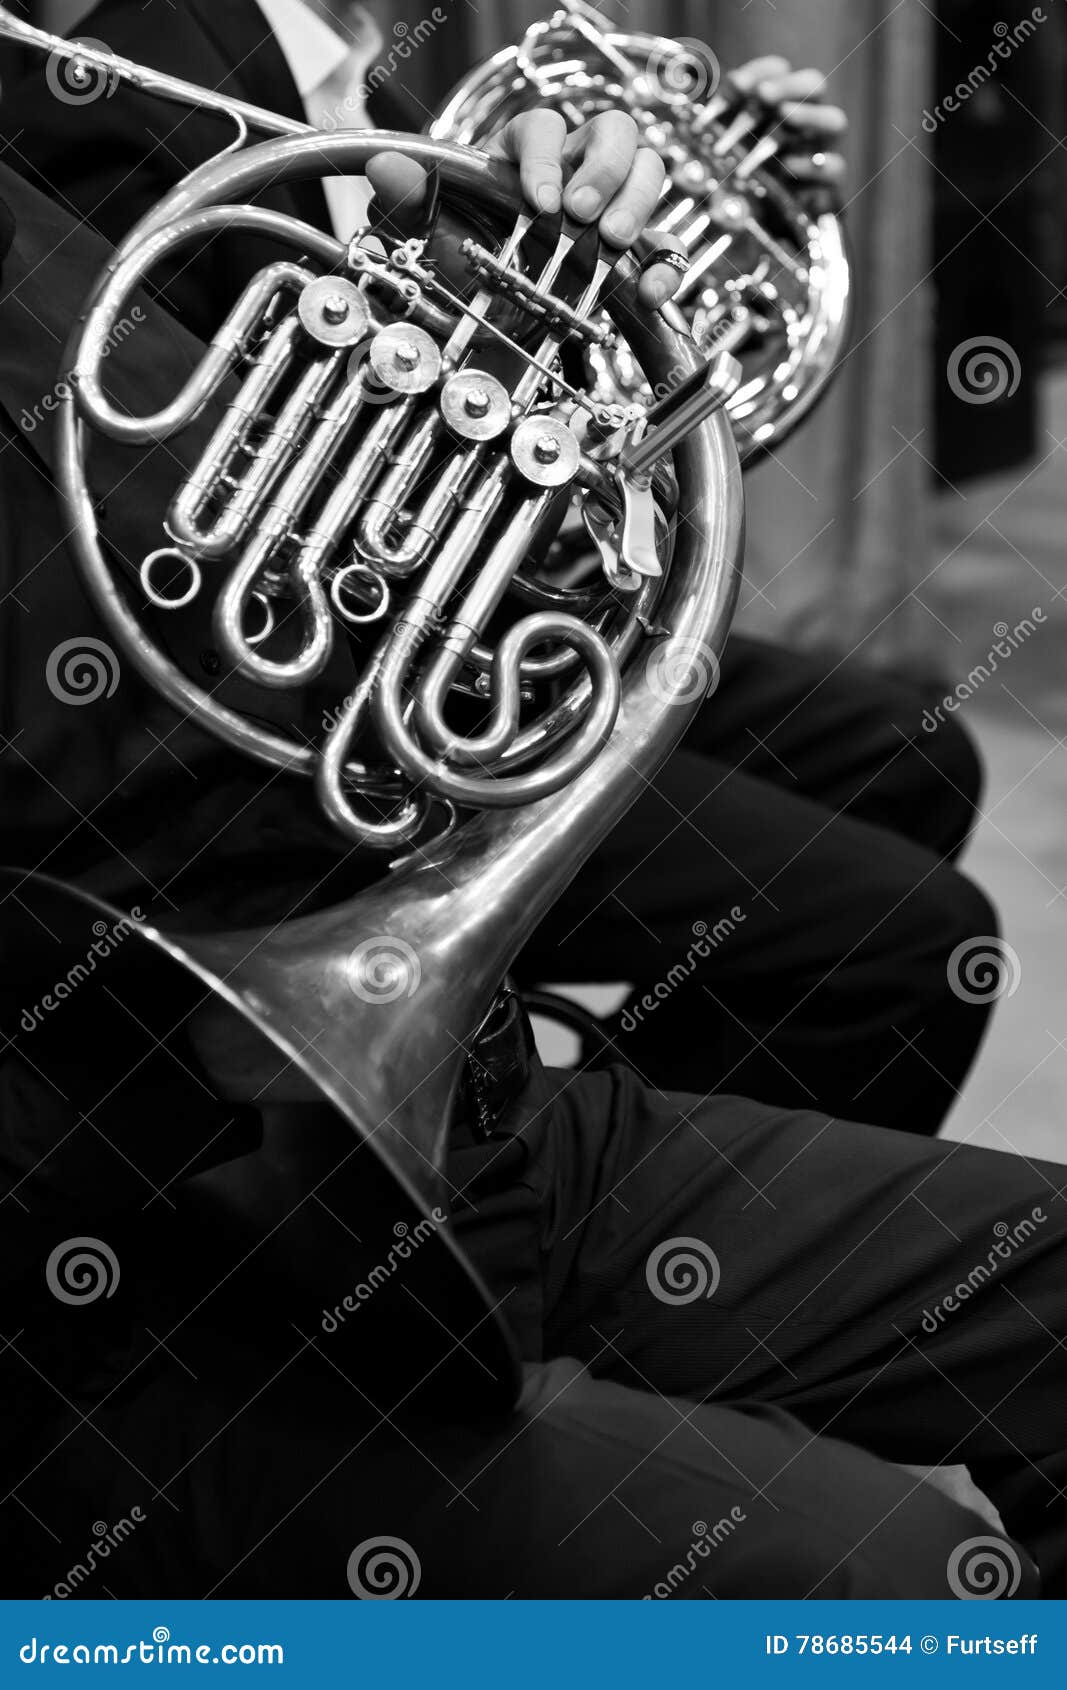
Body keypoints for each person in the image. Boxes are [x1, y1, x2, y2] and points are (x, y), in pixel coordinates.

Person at [0, 116, 1064, 1604]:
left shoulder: (34, 225)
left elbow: (258, 559)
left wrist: (486, 314)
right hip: (155, 1275)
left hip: (451, 1113)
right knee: (902, 1582)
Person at [0, 0, 997, 1136]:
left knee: (910, 758)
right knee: (909, 945)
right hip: (342, 710)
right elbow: (175, 503)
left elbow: (472, 361)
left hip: (462, 623)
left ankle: (623, 1122)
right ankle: (589, 1183)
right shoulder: (121, 79)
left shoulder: (354, 64)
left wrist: (688, 201)